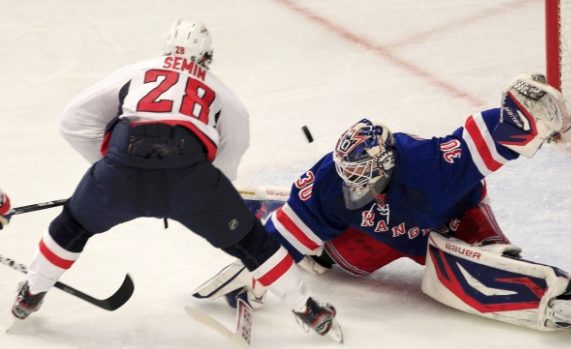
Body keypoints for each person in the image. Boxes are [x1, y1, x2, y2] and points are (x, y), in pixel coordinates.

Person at [11, 18, 342, 340]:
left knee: (72, 226)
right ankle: (308, 310)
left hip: (122, 166)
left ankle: (32, 292)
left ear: (167, 48)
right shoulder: (223, 93)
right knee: (253, 244)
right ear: (207, 57)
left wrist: (107, 169)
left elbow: (73, 121)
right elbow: (232, 152)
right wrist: (202, 197)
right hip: (192, 179)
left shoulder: (137, 70)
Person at [198, 73, 571, 332]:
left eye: (363, 179)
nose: (353, 187)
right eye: (348, 178)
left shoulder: (431, 166)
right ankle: (320, 247)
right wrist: (254, 271)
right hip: (387, 231)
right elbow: (286, 237)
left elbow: (486, 136)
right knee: (344, 261)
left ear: (386, 166)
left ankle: (549, 296)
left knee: (475, 262)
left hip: (451, 214)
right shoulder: (330, 179)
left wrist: (527, 114)